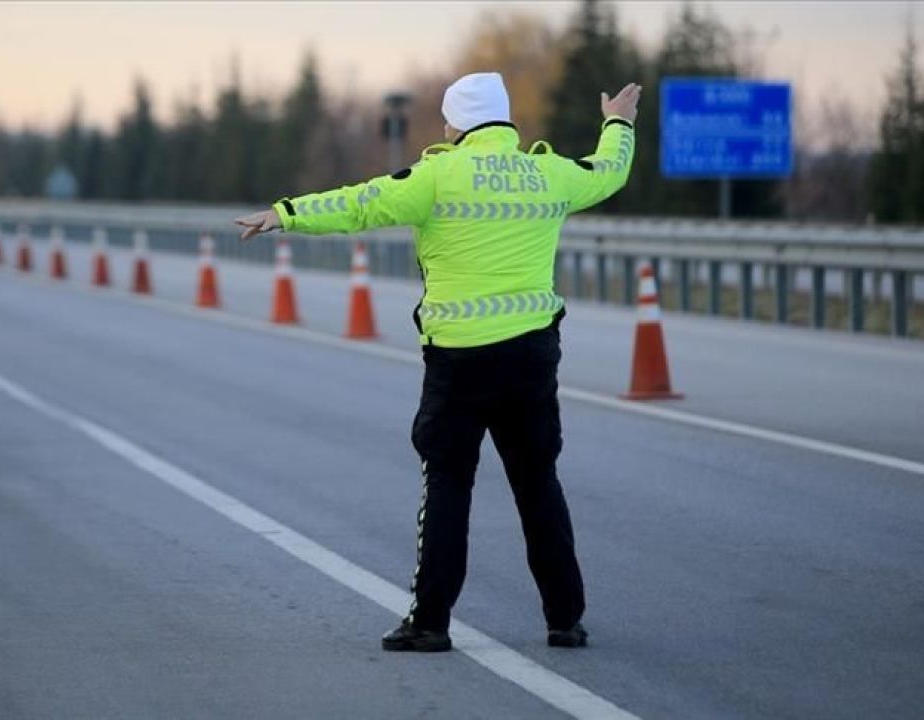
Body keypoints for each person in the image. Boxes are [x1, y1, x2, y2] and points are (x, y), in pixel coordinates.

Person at [235, 72, 639, 652]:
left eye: (448, 119)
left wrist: (286, 213)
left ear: (457, 124)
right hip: (530, 355)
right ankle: (564, 619)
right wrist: (617, 124)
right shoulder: (548, 172)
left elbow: (361, 203)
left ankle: (430, 623)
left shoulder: (436, 175)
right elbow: (609, 172)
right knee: (537, 483)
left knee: (449, 484)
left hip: (459, 361)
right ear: (503, 120)